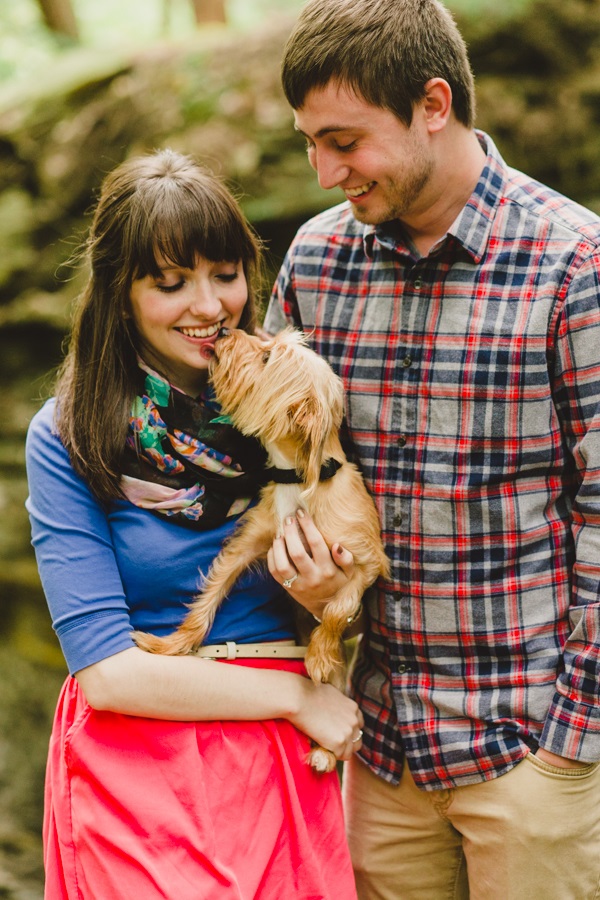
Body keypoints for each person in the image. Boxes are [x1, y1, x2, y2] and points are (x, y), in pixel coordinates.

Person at [263, 1, 600, 897]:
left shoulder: (574, 264)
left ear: (434, 104)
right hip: (374, 759)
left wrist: (573, 744)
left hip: (530, 762)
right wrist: (295, 558)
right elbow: (279, 461)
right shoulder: (312, 263)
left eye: (345, 141)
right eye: (309, 143)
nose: (326, 170)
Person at [25, 148, 363, 900]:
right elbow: (108, 673)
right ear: (120, 295)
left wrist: (330, 602)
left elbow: (362, 579)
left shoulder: (292, 403)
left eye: (226, 274)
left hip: (283, 763)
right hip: (136, 770)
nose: (209, 306)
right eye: (170, 284)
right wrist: (298, 698)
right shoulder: (68, 435)